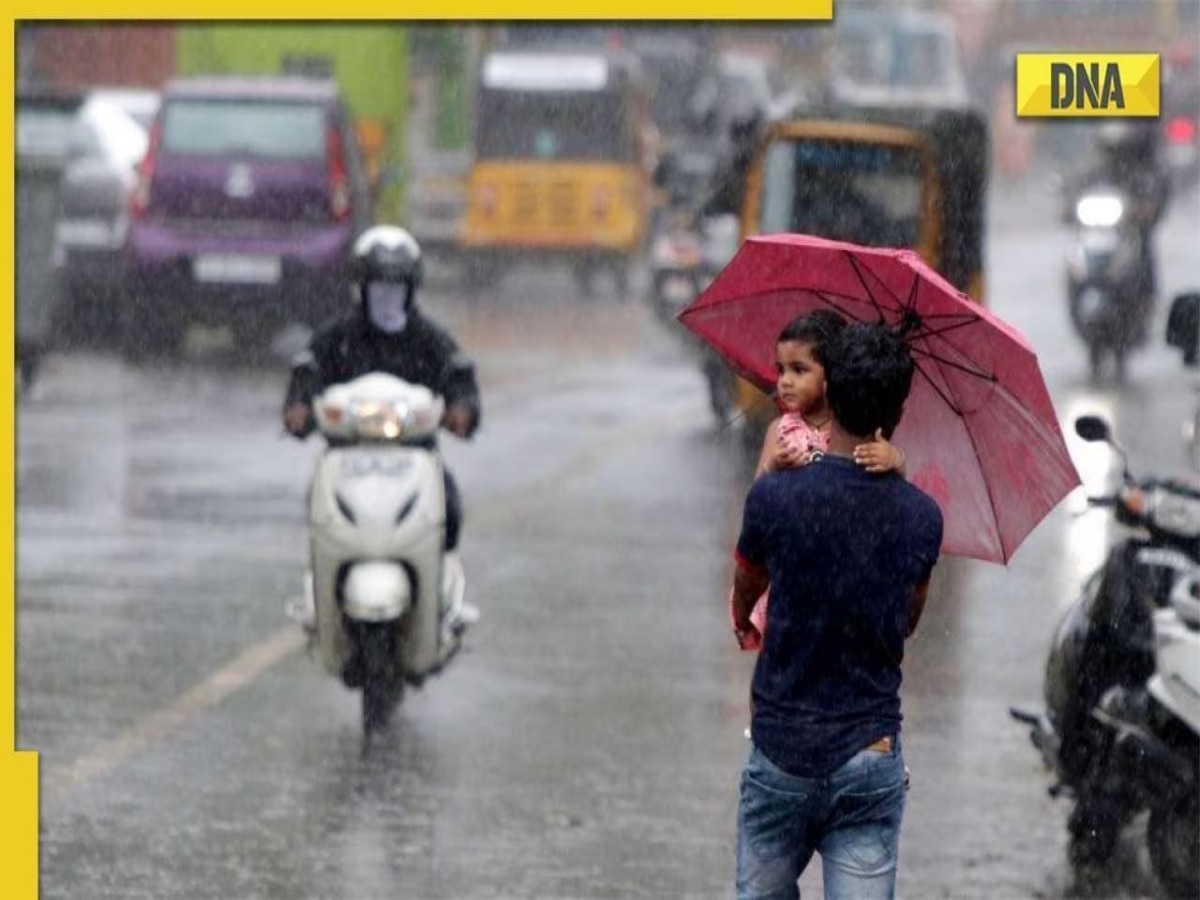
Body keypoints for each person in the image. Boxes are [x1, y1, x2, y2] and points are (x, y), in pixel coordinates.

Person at [730, 321, 944, 900]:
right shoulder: (922, 517)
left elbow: (745, 594)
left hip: (782, 749)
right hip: (869, 754)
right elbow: (906, 621)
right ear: (896, 411)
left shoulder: (774, 496)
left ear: (832, 389)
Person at [282, 224, 481, 642]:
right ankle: (322, 602)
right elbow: (307, 371)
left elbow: (458, 374)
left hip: (415, 458)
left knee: (453, 509)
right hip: (348, 458)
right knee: (315, 511)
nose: (387, 297)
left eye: (396, 287)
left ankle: (441, 602)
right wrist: (299, 407)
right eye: (378, 286)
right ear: (361, 288)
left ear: (411, 291)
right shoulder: (338, 339)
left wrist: (462, 409)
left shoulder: (428, 341)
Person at [732, 310, 906, 652]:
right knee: (782, 650)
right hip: (792, 559)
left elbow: (890, 488)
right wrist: (772, 467)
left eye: (799, 370)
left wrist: (895, 460)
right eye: (780, 370)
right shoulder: (779, 431)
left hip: (838, 559)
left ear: (833, 377)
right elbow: (757, 501)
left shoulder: (852, 431)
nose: (784, 381)